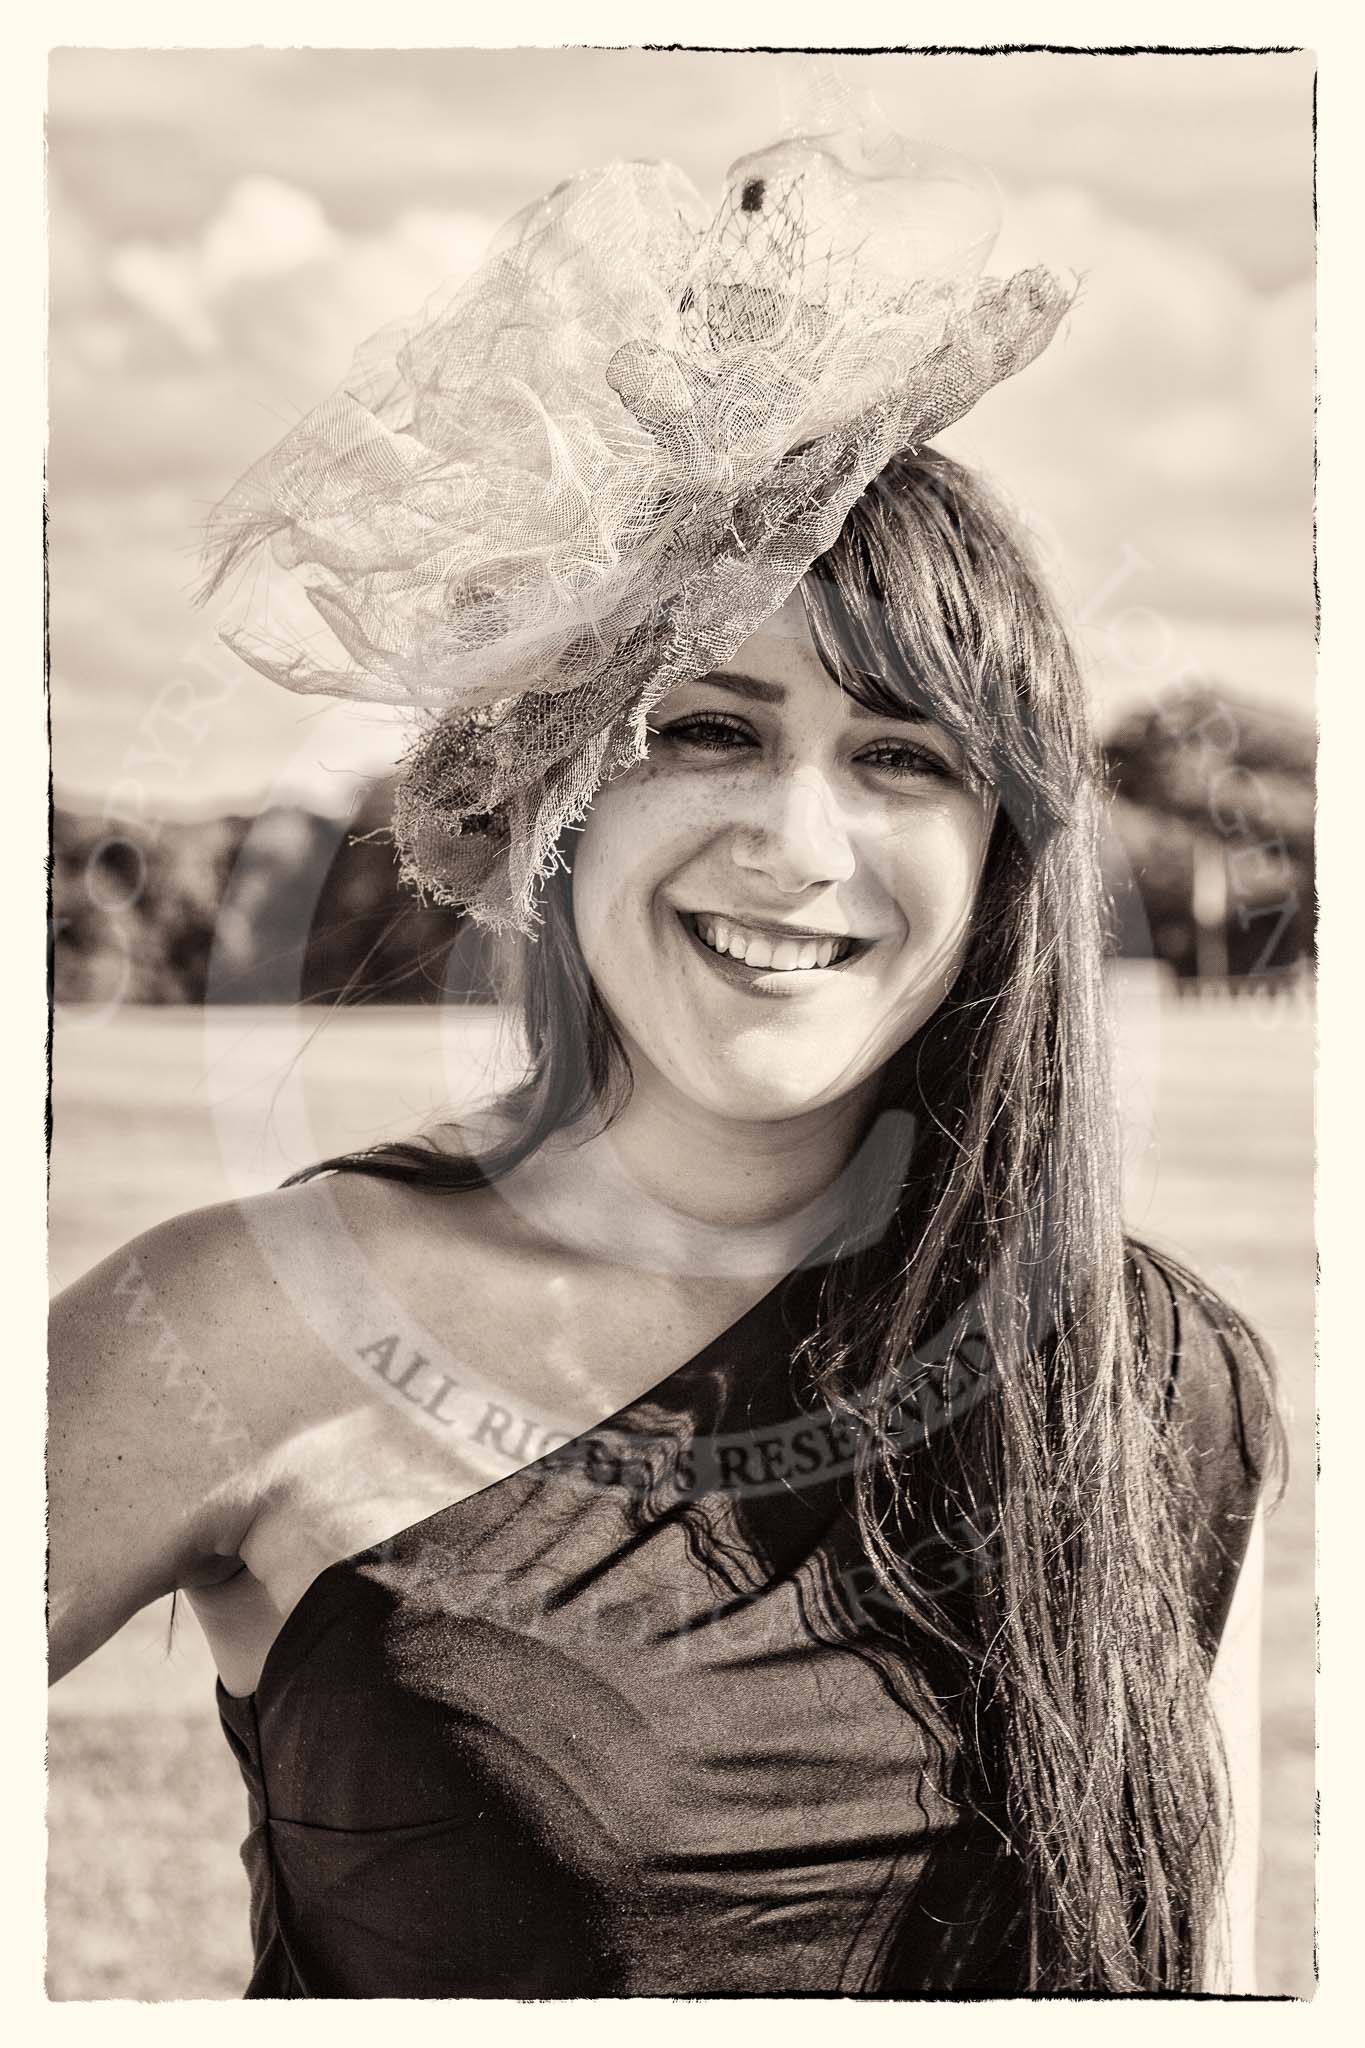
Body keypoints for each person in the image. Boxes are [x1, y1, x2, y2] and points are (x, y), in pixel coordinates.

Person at [48, 105, 1281, 1998]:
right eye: (707, 729)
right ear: (563, 791)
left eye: (903, 757)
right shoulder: (232, 1323)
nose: (797, 844)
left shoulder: (1159, 1376)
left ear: (1000, 857)